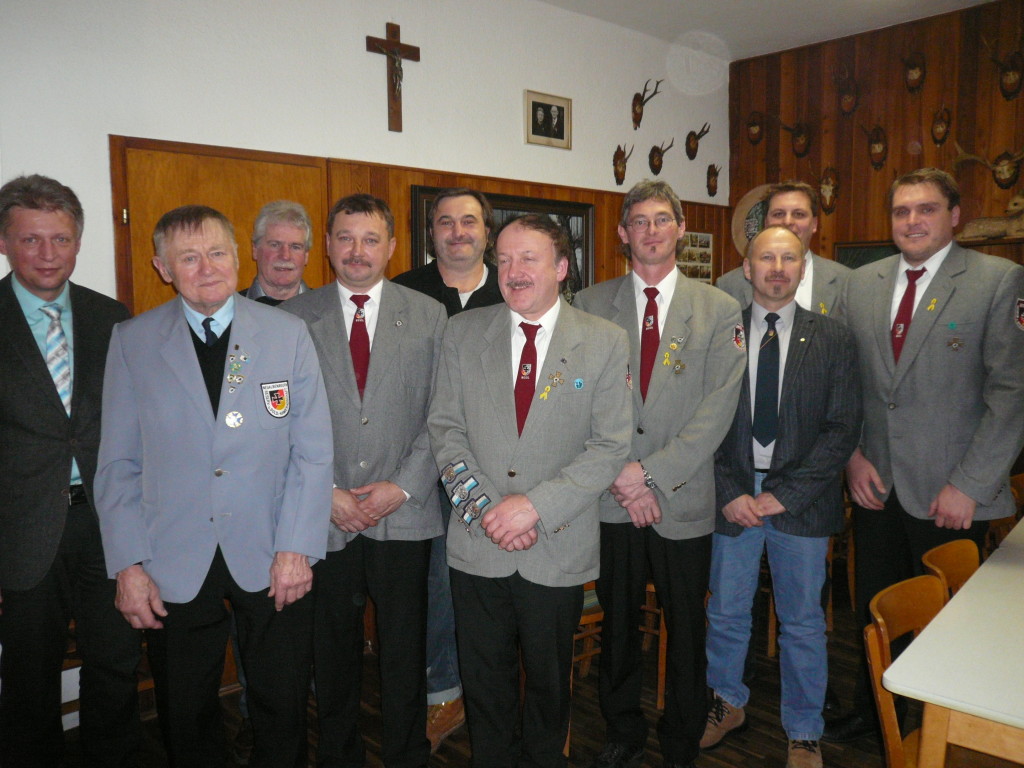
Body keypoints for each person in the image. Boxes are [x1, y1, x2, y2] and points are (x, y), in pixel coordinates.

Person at [95, 205, 333, 767]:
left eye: (218, 252)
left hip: (273, 551)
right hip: (171, 557)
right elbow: (117, 464)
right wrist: (128, 565)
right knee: (186, 709)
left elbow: (313, 452)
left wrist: (297, 548)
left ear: (237, 255)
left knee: (281, 703)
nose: (207, 268)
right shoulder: (132, 341)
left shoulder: (288, 334)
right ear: (162, 267)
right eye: (189, 257)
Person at [824, 168, 1024, 743]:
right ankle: (875, 715)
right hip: (875, 485)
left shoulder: (999, 281)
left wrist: (972, 482)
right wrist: (852, 457)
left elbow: (1011, 393)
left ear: (955, 215)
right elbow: (843, 385)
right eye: (901, 211)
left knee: (949, 626)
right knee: (877, 612)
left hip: (952, 495)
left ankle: (943, 732)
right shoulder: (860, 286)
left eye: (927, 209)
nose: (912, 221)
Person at [428, 214, 632, 768]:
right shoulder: (463, 332)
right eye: (505, 260)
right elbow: (446, 431)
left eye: (529, 259)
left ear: (562, 267)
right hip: (479, 542)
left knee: (548, 687)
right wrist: (489, 510)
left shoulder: (605, 342)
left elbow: (610, 447)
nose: (513, 272)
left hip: (556, 542)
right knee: (485, 683)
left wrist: (532, 508)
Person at [573, 179, 745, 768]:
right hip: (612, 499)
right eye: (639, 221)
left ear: (679, 229)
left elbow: (717, 408)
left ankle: (682, 735)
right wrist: (623, 475)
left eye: (661, 220)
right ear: (623, 234)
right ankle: (622, 730)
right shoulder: (590, 305)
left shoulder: (719, 310)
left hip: (682, 498)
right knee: (618, 624)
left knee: (686, 628)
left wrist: (650, 474)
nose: (650, 230)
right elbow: (581, 402)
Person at [283, 193, 446, 768]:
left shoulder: (427, 315)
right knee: (332, 652)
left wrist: (401, 487)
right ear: (327, 245)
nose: (357, 251)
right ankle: (339, 755)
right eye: (345, 238)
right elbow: (281, 422)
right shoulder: (294, 319)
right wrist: (324, 493)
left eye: (371, 239)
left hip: (404, 511)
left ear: (393, 247)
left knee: (405, 650)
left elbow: (442, 416)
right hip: (324, 516)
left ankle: (407, 754)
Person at [701, 226, 862, 768]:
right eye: (765, 257)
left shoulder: (834, 338)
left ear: (801, 267)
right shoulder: (718, 335)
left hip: (802, 503)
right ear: (746, 268)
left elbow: (842, 429)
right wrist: (729, 492)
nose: (776, 267)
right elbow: (701, 424)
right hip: (733, 499)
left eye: (788, 258)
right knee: (725, 612)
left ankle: (803, 731)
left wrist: (782, 496)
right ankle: (726, 702)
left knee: (801, 623)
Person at [0, 174, 141, 767]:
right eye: (31, 240)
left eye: (60, 239)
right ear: (5, 242)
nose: (48, 254)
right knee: (30, 676)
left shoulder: (112, 317)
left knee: (115, 663)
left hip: (106, 526)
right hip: (23, 531)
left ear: (78, 241)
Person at [392, 187, 503, 751]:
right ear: (430, 232)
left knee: (478, 588)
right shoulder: (404, 292)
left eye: (469, 222)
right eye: (445, 222)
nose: (457, 232)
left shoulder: (512, 288)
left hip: (494, 470)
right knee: (431, 587)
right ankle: (443, 693)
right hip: (418, 468)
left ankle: (484, 693)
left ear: (487, 230)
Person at [717, 182, 849, 315]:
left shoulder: (845, 282)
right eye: (779, 214)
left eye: (798, 214)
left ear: (814, 224)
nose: (787, 222)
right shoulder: (728, 285)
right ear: (766, 222)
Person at [241, 200, 312, 305]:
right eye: (275, 245)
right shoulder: (229, 312)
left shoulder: (330, 312)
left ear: (306, 255)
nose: (285, 256)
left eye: (295, 247)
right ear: (255, 249)